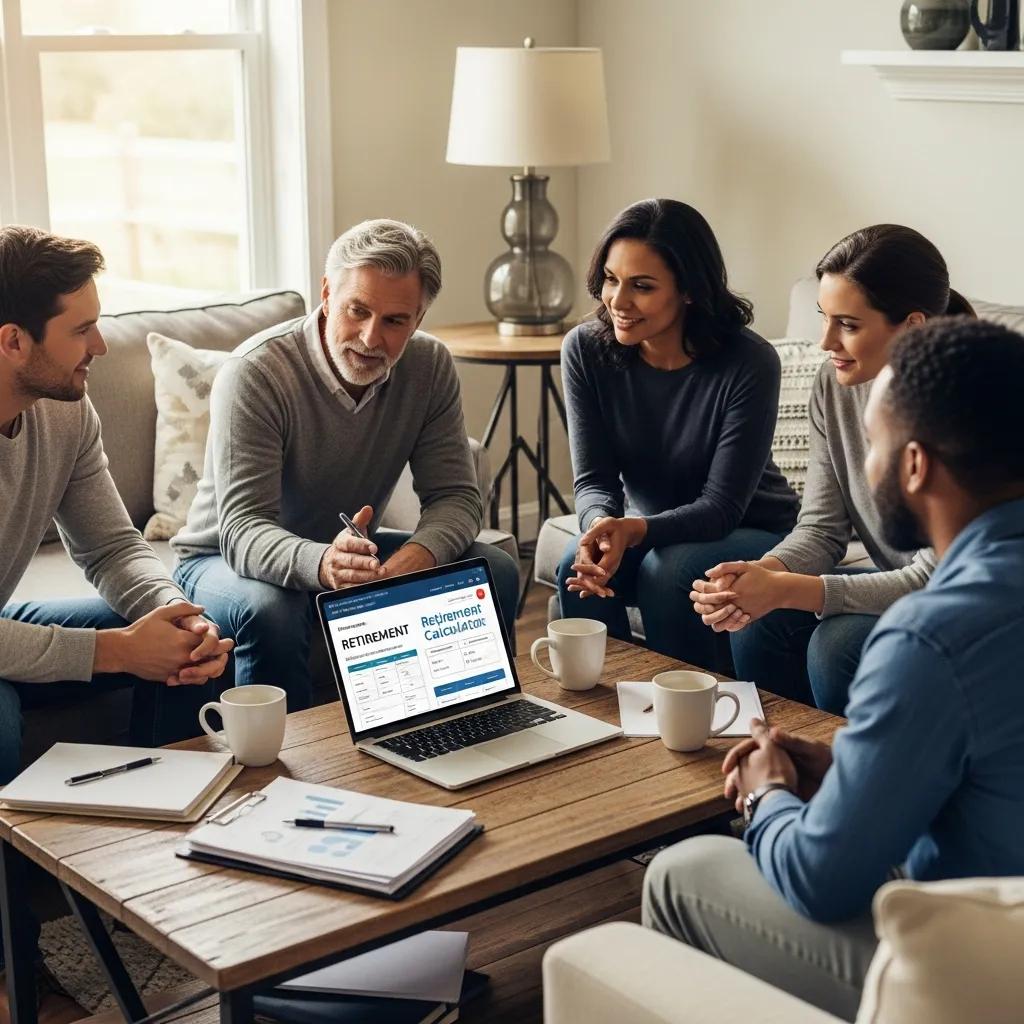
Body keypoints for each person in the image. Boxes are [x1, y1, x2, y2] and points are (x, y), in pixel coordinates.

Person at [644, 317, 1024, 1021]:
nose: (867, 465)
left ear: (915, 465)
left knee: (678, 873)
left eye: (874, 443)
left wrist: (765, 796)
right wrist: (854, 770)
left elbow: (820, 882)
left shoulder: (929, 639)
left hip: (986, 977)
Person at [0, 226, 233, 1022]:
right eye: (83, 329)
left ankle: (159, 890)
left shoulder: (65, 410)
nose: (100, 346)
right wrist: (116, 652)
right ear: (12, 340)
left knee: (186, 642)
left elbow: (110, 546)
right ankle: (13, 963)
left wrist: (170, 617)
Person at [172, 219, 519, 710]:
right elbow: (243, 531)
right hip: (220, 559)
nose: (371, 337)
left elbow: (456, 497)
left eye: (395, 321)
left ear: (418, 319)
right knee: (272, 609)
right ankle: (286, 756)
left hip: (349, 553)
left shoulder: (429, 366)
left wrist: (416, 557)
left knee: (494, 568)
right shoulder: (256, 373)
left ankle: (451, 727)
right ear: (327, 293)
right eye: (358, 310)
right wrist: (323, 563)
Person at [690, 224, 975, 712]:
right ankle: (776, 751)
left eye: (848, 325)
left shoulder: (965, 406)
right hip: (905, 584)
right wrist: (759, 577)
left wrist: (786, 588)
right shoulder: (834, 386)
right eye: (824, 318)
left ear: (913, 326)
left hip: (971, 603)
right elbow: (821, 528)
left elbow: (934, 577)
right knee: (759, 621)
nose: (826, 341)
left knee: (837, 645)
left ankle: (849, 760)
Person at [556, 199, 798, 671]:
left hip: (752, 527)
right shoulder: (585, 349)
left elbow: (721, 507)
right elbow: (593, 480)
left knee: (670, 571)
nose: (618, 301)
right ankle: (603, 706)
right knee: (576, 564)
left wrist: (634, 530)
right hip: (656, 526)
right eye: (611, 279)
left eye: (642, 286)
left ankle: (688, 706)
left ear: (688, 289)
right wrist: (600, 527)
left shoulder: (749, 362)